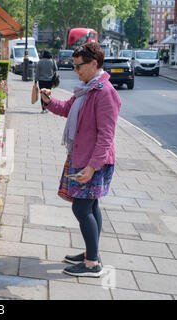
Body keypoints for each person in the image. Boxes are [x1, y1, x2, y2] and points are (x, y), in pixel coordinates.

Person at [40, 42, 121, 278]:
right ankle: (91, 252)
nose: (75, 71)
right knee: (91, 206)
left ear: (94, 64)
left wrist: (92, 167)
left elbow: (107, 135)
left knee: (81, 207)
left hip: (93, 161)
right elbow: (66, 109)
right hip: (82, 155)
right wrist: (48, 101)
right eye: (74, 66)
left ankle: (92, 264)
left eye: (79, 66)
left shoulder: (104, 92)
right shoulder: (87, 89)